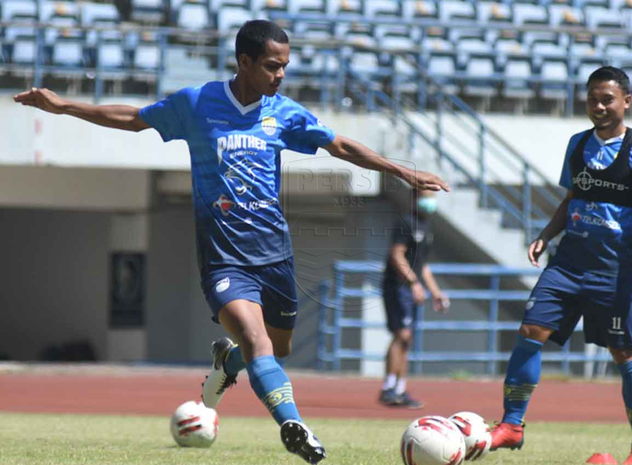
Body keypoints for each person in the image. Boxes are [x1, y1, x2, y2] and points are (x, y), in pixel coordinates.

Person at [13, 20, 449, 464]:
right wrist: (64, 106)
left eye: (285, 66)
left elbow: (338, 145)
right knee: (258, 342)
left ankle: (227, 365)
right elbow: (133, 118)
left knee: (275, 350)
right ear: (244, 62)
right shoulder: (197, 104)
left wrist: (403, 172)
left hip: (275, 255)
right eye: (272, 66)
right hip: (223, 259)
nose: (281, 75)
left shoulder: (283, 113)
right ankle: (293, 425)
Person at [488, 67, 632, 465]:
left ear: (626, 102)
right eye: (592, 99)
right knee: (530, 330)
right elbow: (572, 198)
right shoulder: (577, 144)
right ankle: (512, 426)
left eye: (607, 99)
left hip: (613, 272)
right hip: (567, 264)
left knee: (625, 354)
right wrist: (545, 235)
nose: (599, 106)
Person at [379, 188, 450, 409]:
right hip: (397, 287)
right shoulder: (406, 222)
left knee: (408, 340)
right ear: (416, 198)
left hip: (412, 290)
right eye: (427, 196)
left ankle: (400, 389)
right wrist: (412, 283)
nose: (431, 201)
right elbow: (397, 255)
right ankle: (388, 387)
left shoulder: (427, 227)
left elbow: (423, 265)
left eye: (432, 197)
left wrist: (436, 292)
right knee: (402, 334)